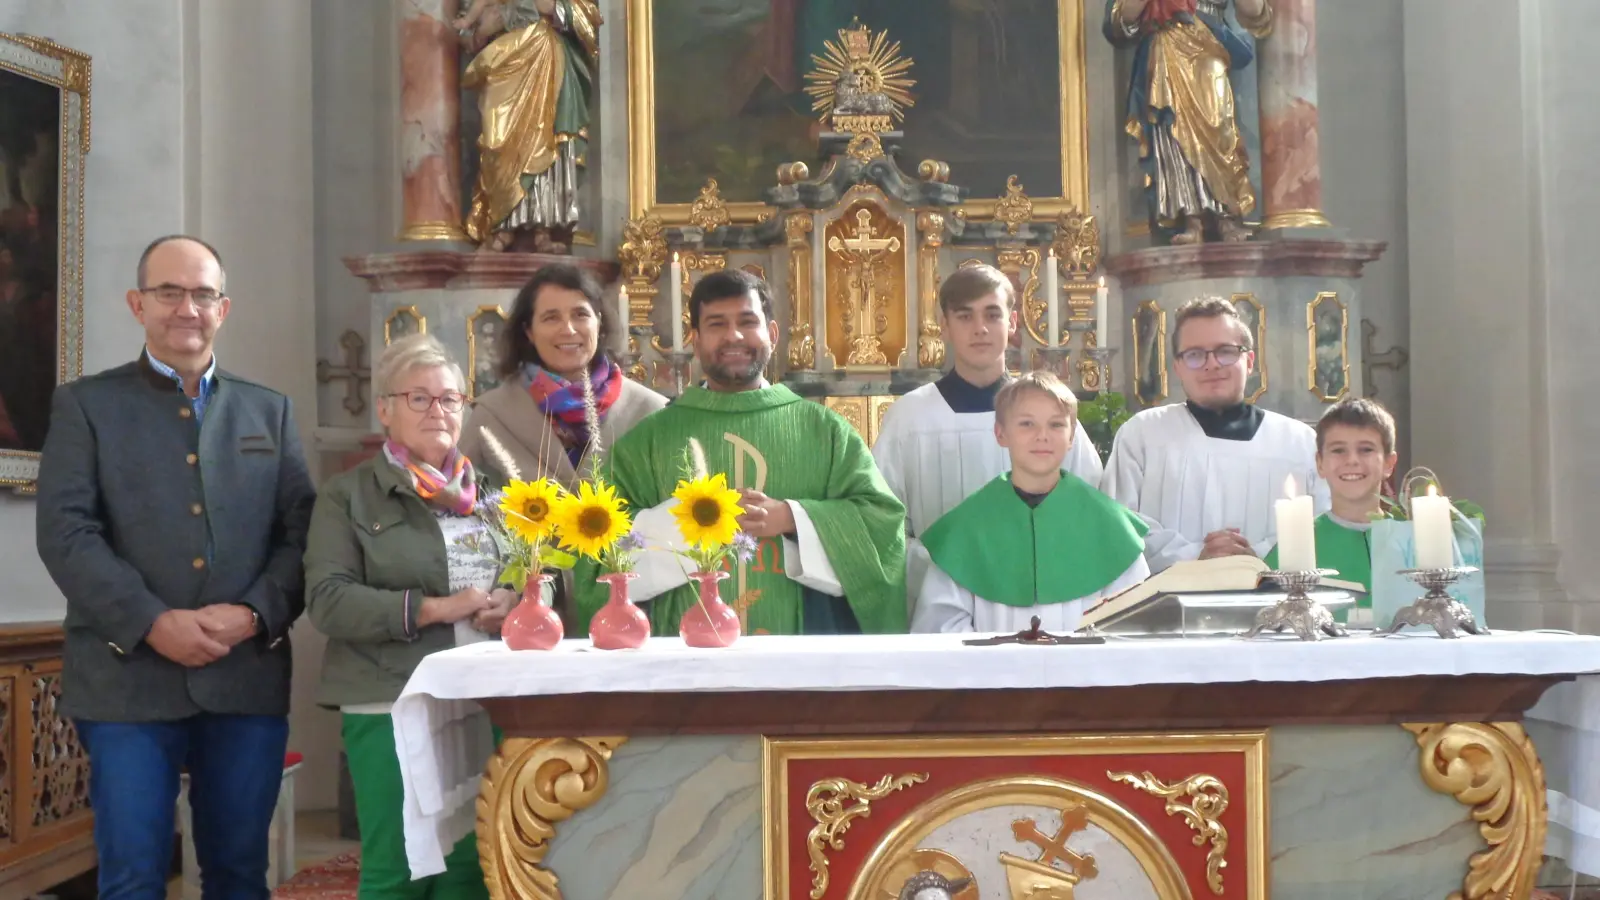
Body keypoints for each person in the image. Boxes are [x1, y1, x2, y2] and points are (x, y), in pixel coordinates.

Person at [34, 235, 315, 900]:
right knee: (132, 875)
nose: (186, 307)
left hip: (244, 676)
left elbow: (304, 535)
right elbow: (66, 533)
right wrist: (152, 622)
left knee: (240, 875)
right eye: (169, 292)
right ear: (138, 304)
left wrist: (253, 613)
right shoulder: (86, 406)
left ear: (225, 307)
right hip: (126, 677)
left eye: (202, 294)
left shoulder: (267, 410)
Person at [578, 268, 907, 636]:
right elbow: (597, 545)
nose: (733, 335)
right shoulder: (649, 440)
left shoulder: (825, 431)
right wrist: (688, 523)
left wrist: (793, 518)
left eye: (747, 321)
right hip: (684, 669)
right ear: (696, 339)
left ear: (773, 334)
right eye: (717, 324)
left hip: (799, 672)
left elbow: (883, 527)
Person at [304, 334, 513, 898]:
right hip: (391, 698)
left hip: (482, 697)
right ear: (386, 410)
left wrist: (512, 600)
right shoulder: (347, 496)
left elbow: (531, 574)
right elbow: (328, 598)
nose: (437, 411)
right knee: (398, 866)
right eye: (418, 398)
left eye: (449, 398)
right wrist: (435, 609)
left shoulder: (494, 495)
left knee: (472, 865)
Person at [874, 264, 1103, 606]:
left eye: (992, 314)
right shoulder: (910, 418)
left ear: (1012, 323)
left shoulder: (1048, 411)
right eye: (965, 316)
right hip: (942, 602)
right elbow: (881, 522)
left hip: (1042, 594)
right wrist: (947, 565)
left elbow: (1090, 504)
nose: (979, 329)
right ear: (944, 327)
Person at [1102, 296, 1325, 573]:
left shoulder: (1299, 442)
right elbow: (1117, 524)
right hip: (1166, 608)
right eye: (1195, 355)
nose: (1212, 365)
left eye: (1226, 351)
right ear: (1177, 367)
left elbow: (1323, 526)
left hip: (1275, 604)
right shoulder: (1143, 435)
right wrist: (1197, 555)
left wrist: (1254, 556)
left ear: (1250, 361)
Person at [913, 373, 1149, 633]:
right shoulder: (965, 530)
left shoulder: (1111, 528)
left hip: (1086, 672)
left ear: (1072, 438)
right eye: (1027, 423)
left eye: (1056, 425)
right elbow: (940, 628)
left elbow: (1133, 626)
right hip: (990, 672)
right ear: (1001, 433)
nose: (1042, 436)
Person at [459, 263, 665, 490]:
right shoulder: (492, 414)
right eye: (551, 318)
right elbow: (459, 501)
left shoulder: (650, 412)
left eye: (580, 314)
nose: (568, 329)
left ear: (599, 323)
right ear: (528, 332)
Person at [1103, 0, 1273, 244]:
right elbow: (1121, 20)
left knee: (1219, 126)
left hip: (1208, 42)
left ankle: (1226, 215)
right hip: (1167, 42)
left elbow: (1255, 11)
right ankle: (1191, 217)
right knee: (1173, 131)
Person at [455, 0, 603, 252]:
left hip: (544, 53)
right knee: (497, 137)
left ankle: (541, 228)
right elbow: (466, 25)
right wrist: (477, 30)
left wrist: (554, 7)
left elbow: (587, 13)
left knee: (542, 142)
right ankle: (501, 222)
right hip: (504, 58)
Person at [1265, 397, 1399, 597]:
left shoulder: (1410, 541)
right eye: (1338, 450)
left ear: (1389, 463)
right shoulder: (1292, 548)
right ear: (1320, 463)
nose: (1352, 460)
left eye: (1366, 450)